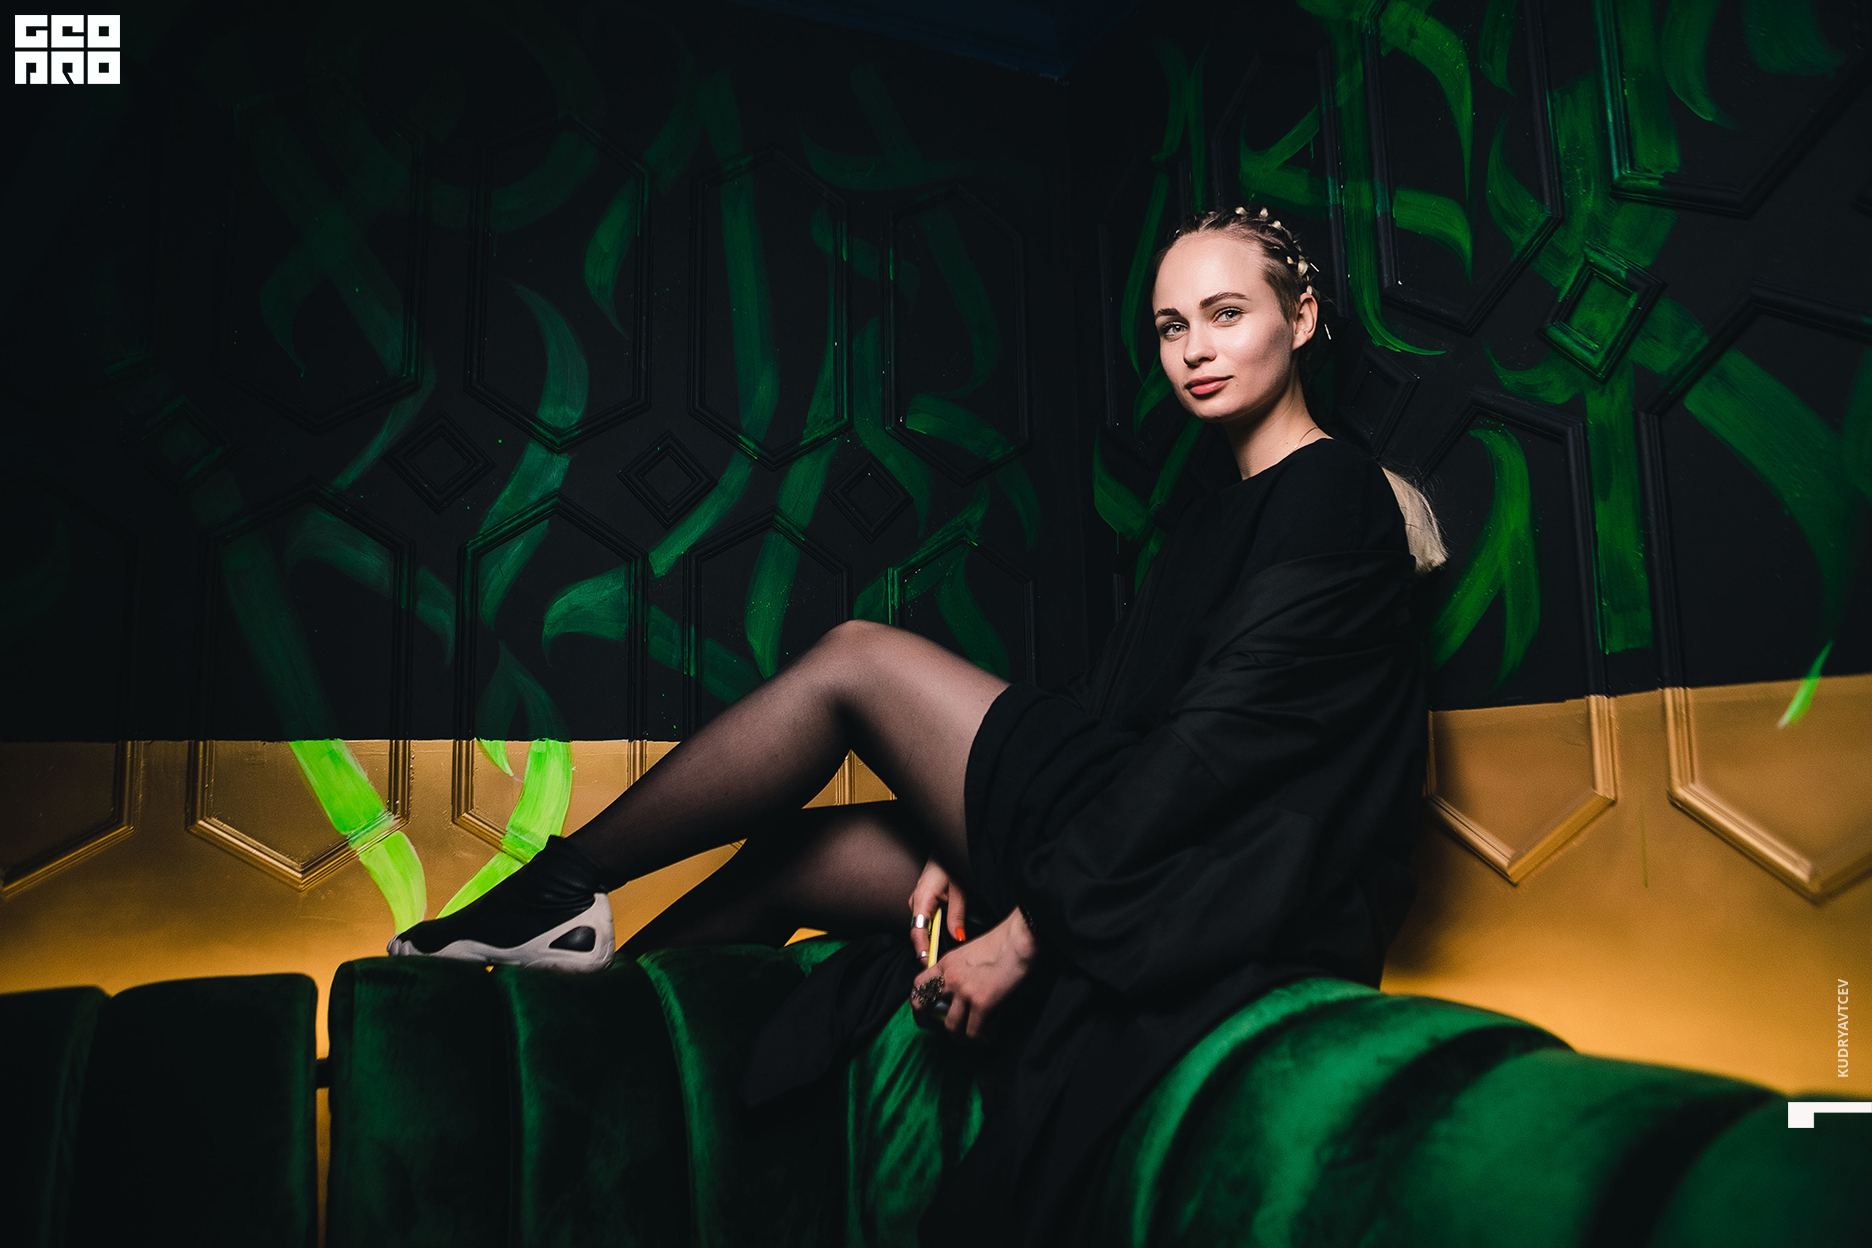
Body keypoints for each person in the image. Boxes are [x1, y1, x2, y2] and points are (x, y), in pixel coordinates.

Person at [389, 205, 1444, 1245]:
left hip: (1207, 876)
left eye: (1226, 314)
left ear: (1302, 317)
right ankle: (579, 1040)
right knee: (800, 857)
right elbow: (1113, 710)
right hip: (1125, 829)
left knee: (856, 658)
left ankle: (562, 885)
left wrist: (1027, 933)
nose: (1195, 351)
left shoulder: (1333, 489)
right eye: (1173, 327)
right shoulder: (1206, 519)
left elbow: (1220, 748)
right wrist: (963, 828)